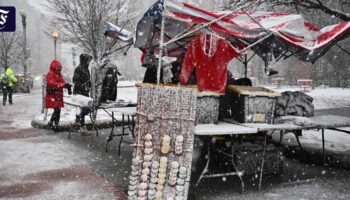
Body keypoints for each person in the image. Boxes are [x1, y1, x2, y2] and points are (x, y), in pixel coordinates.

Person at [45, 60, 71, 131]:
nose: (59, 69)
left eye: (60, 68)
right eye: (58, 68)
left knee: (58, 110)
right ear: (54, 68)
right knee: (57, 110)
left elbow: (62, 82)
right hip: (52, 95)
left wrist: (66, 85)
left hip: (58, 95)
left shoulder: (59, 74)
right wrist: (62, 85)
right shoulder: (50, 74)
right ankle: (54, 124)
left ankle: (52, 123)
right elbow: (51, 84)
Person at [73, 53, 93, 131]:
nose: (89, 62)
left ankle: (79, 121)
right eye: (88, 60)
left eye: (89, 60)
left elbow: (87, 80)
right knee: (83, 108)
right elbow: (75, 80)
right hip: (79, 93)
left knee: (86, 108)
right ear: (84, 60)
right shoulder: (79, 68)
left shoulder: (86, 69)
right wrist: (83, 86)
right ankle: (81, 125)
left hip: (85, 92)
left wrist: (90, 84)